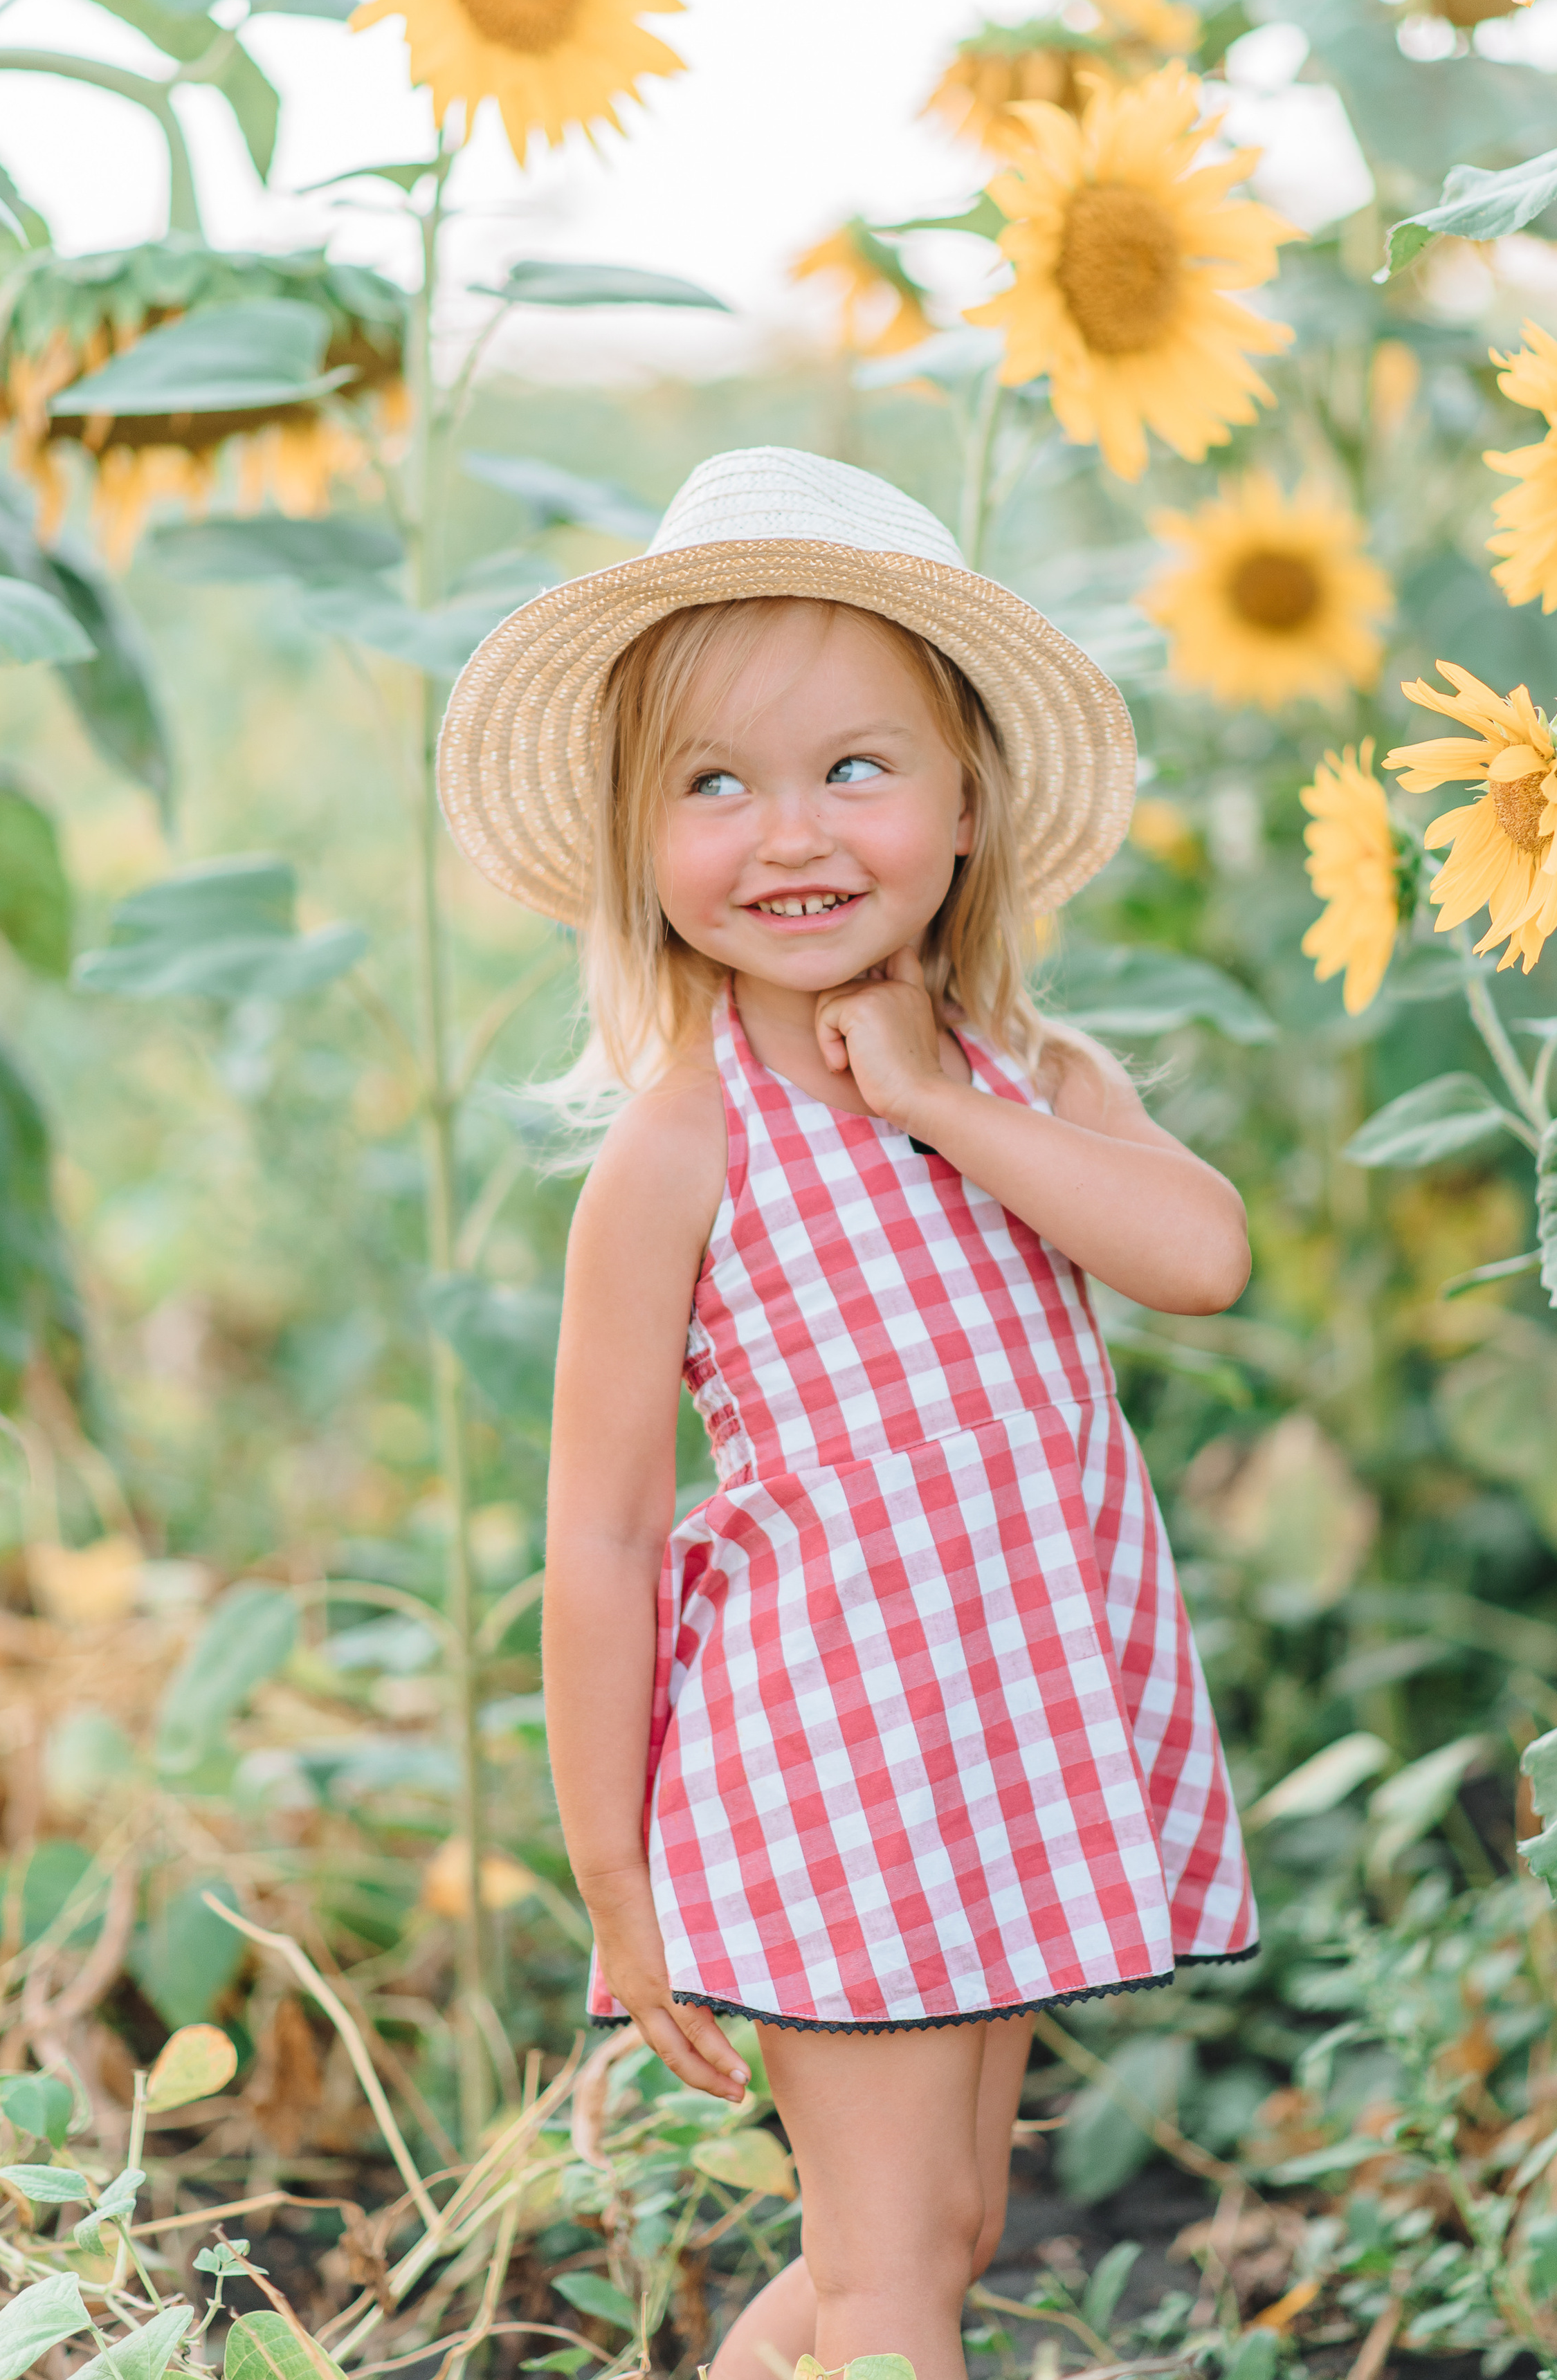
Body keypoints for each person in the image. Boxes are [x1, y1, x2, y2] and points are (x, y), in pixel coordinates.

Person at [438, 446, 1257, 2380]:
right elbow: (605, 1533)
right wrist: (617, 1879)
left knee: (938, 2232)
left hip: (1003, 1746)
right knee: (892, 2282)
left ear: (967, 802)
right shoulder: (677, 1149)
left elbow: (1201, 1254)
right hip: (836, 1771)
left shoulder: (1019, 1070)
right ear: (639, 844)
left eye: (853, 767)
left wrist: (947, 1099)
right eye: (710, 782)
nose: (785, 830)